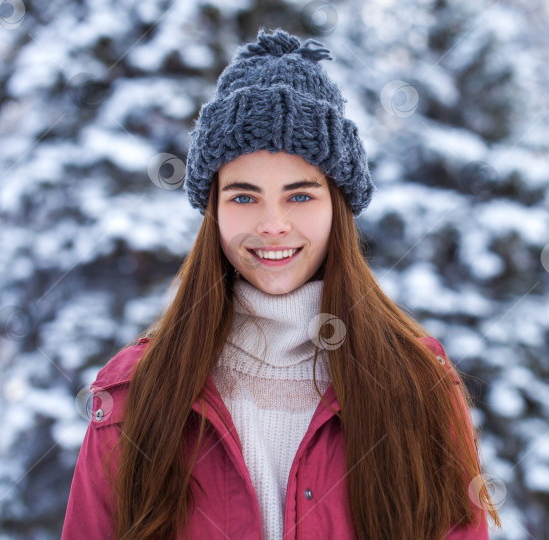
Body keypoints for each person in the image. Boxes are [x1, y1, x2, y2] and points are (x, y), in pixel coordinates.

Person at [62, 27, 502, 540]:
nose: (272, 224)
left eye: (300, 196)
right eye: (244, 197)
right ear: (214, 211)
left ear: (337, 205)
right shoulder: (135, 394)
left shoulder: (418, 386)